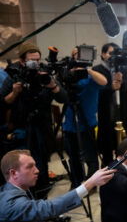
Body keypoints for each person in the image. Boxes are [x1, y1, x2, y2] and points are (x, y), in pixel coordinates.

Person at [0, 42, 68, 198]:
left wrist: (53, 86)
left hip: (43, 128)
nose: (36, 63)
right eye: (32, 60)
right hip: (23, 129)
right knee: (24, 168)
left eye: (38, 59)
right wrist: (15, 92)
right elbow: (3, 103)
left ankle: (42, 200)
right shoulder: (13, 75)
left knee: (41, 167)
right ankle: (26, 202)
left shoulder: (44, 72)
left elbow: (63, 97)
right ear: (22, 61)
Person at [0, 149, 115, 221]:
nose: (37, 170)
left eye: (35, 165)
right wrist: (90, 183)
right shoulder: (12, 204)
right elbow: (48, 208)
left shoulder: (14, 190)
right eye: (30, 167)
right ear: (13, 173)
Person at [62, 47, 108, 188]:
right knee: (74, 156)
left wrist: (86, 69)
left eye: (81, 55)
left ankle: (92, 183)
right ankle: (76, 183)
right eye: (76, 55)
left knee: (91, 155)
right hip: (70, 122)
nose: (79, 58)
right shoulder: (67, 75)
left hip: (87, 122)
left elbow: (104, 81)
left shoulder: (91, 76)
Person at [94, 42, 127, 167]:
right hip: (106, 114)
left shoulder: (124, 68)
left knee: (124, 148)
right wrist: (111, 88)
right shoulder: (97, 70)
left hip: (122, 113)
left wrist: (121, 83)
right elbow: (96, 93)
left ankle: (123, 173)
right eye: (110, 53)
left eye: (116, 53)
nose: (113, 56)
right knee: (107, 150)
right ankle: (107, 177)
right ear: (103, 54)